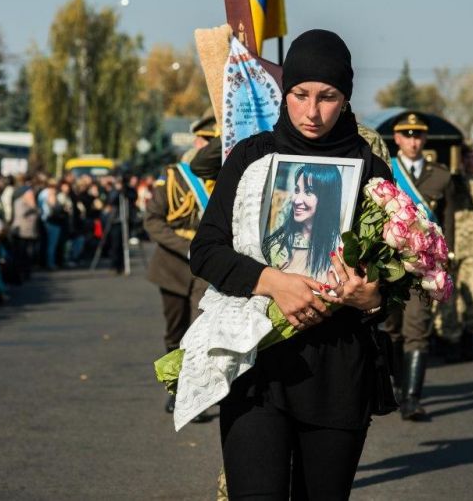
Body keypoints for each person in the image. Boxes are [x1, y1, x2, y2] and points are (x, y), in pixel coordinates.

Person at [189, 29, 392, 499]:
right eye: (300, 95)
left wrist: (373, 298)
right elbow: (206, 249)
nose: (313, 111)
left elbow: (394, 272)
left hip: (336, 371)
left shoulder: (369, 169)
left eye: (328, 97)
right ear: (286, 93)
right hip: (258, 364)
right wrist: (270, 281)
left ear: (346, 99)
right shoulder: (252, 155)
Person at [382, 110, 456, 420]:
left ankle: (412, 398)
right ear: (397, 138)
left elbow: (448, 221)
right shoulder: (386, 171)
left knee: (418, 327)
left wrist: (448, 261)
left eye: (418, 135)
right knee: (392, 328)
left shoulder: (441, 175)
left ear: (424, 139)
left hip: (424, 266)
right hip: (391, 264)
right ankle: (397, 386)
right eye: (407, 135)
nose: (413, 141)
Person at [143, 127, 222, 415]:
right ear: (198, 142)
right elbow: (153, 220)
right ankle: (176, 386)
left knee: (198, 332)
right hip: (173, 267)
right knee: (174, 333)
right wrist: (186, 247)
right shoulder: (174, 177)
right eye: (209, 142)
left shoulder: (224, 176)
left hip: (206, 270)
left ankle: (193, 395)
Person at [436, 144, 473, 361]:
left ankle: (468, 332)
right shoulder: (449, 179)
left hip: (472, 248)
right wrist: (455, 174)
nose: (471, 160)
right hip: (449, 245)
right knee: (447, 298)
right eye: (467, 157)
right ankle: (449, 340)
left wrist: (468, 177)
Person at [263, 164, 343, 279]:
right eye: (297, 190)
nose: (296, 200)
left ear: (327, 198)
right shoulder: (277, 247)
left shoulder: (338, 248)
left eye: (308, 192)